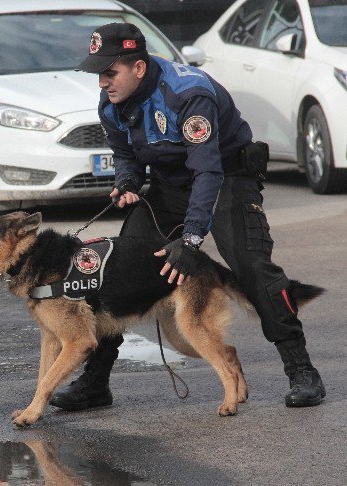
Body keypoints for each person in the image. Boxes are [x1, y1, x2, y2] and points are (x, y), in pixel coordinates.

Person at [50, 23, 325, 412]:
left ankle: (301, 370)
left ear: (139, 68)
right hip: (171, 184)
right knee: (116, 265)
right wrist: (128, 181)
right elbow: (125, 152)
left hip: (226, 177)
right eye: (98, 73)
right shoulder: (111, 101)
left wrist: (191, 239)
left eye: (110, 72)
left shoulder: (187, 94)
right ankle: (95, 383)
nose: (102, 82)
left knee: (250, 267)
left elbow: (207, 172)